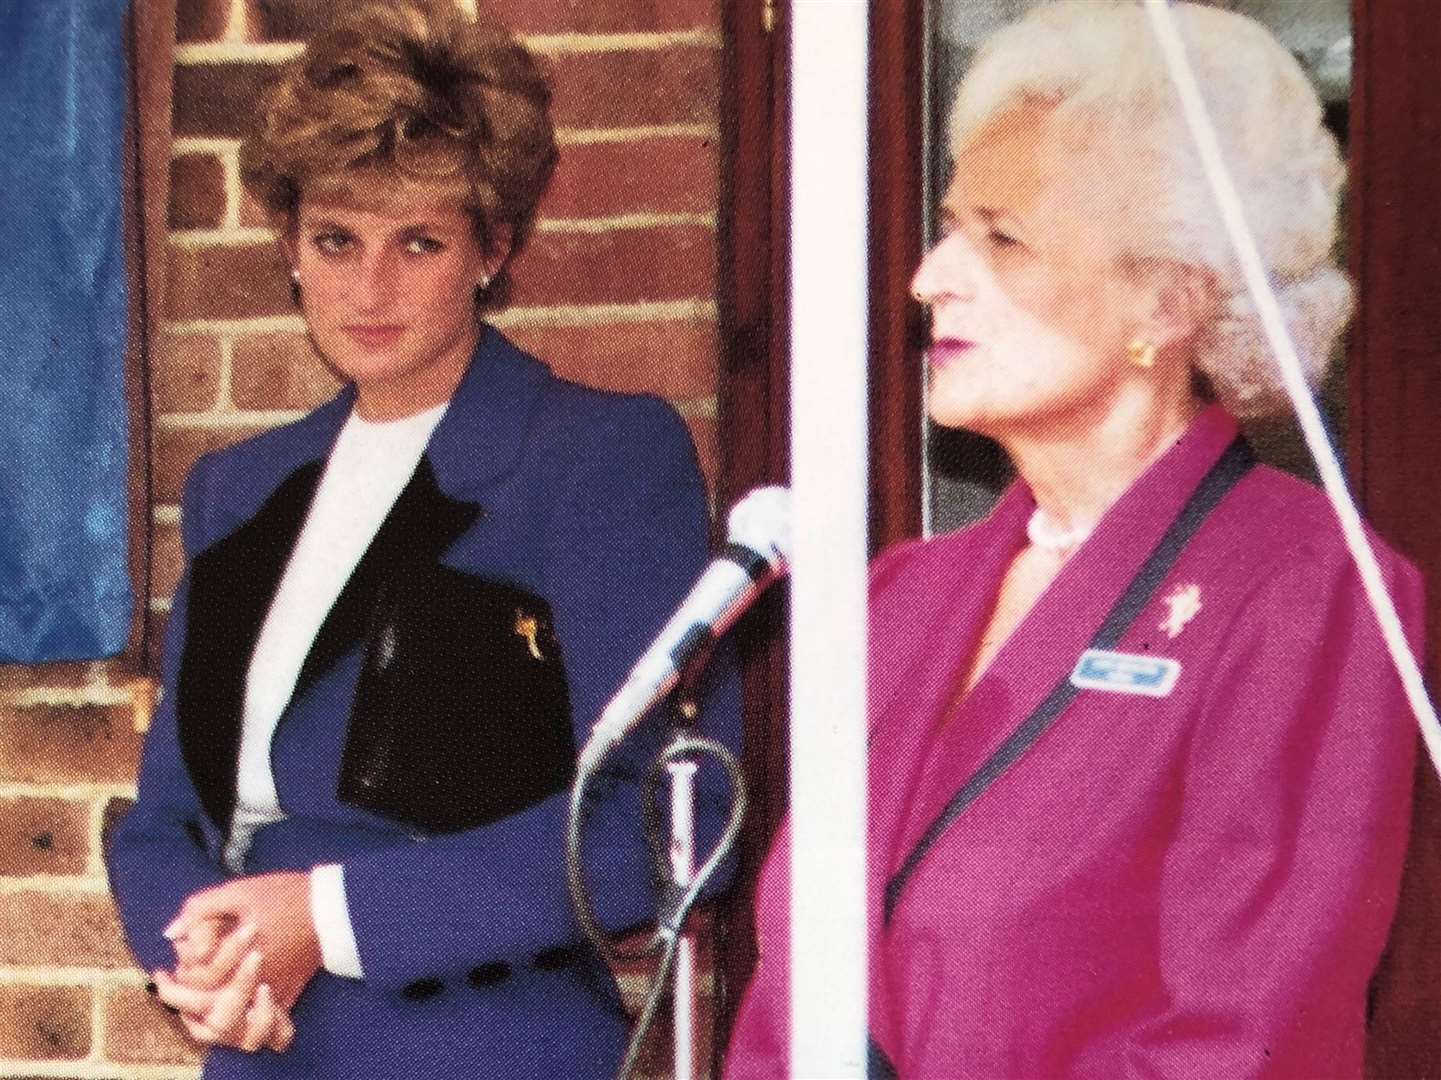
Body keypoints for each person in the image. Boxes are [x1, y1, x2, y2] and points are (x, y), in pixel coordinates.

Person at [727, 3, 1421, 1077]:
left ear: (1168, 296)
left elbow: (1242, 1045)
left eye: (1001, 236)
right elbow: (789, 1006)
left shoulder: (1307, 594)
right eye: (951, 225)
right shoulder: (899, 596)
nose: (930, 278)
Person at [106, 3, 739, 1076]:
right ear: (291, 250)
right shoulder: (240, 491)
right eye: (336, 240)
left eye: (420, 242)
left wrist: (331, 918)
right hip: (265, 1051)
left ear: (492, 248)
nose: (370, 287)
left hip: (484, 1043)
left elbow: (675, 823)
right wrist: (203, 958)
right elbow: (163, 820)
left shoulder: (595, 459)